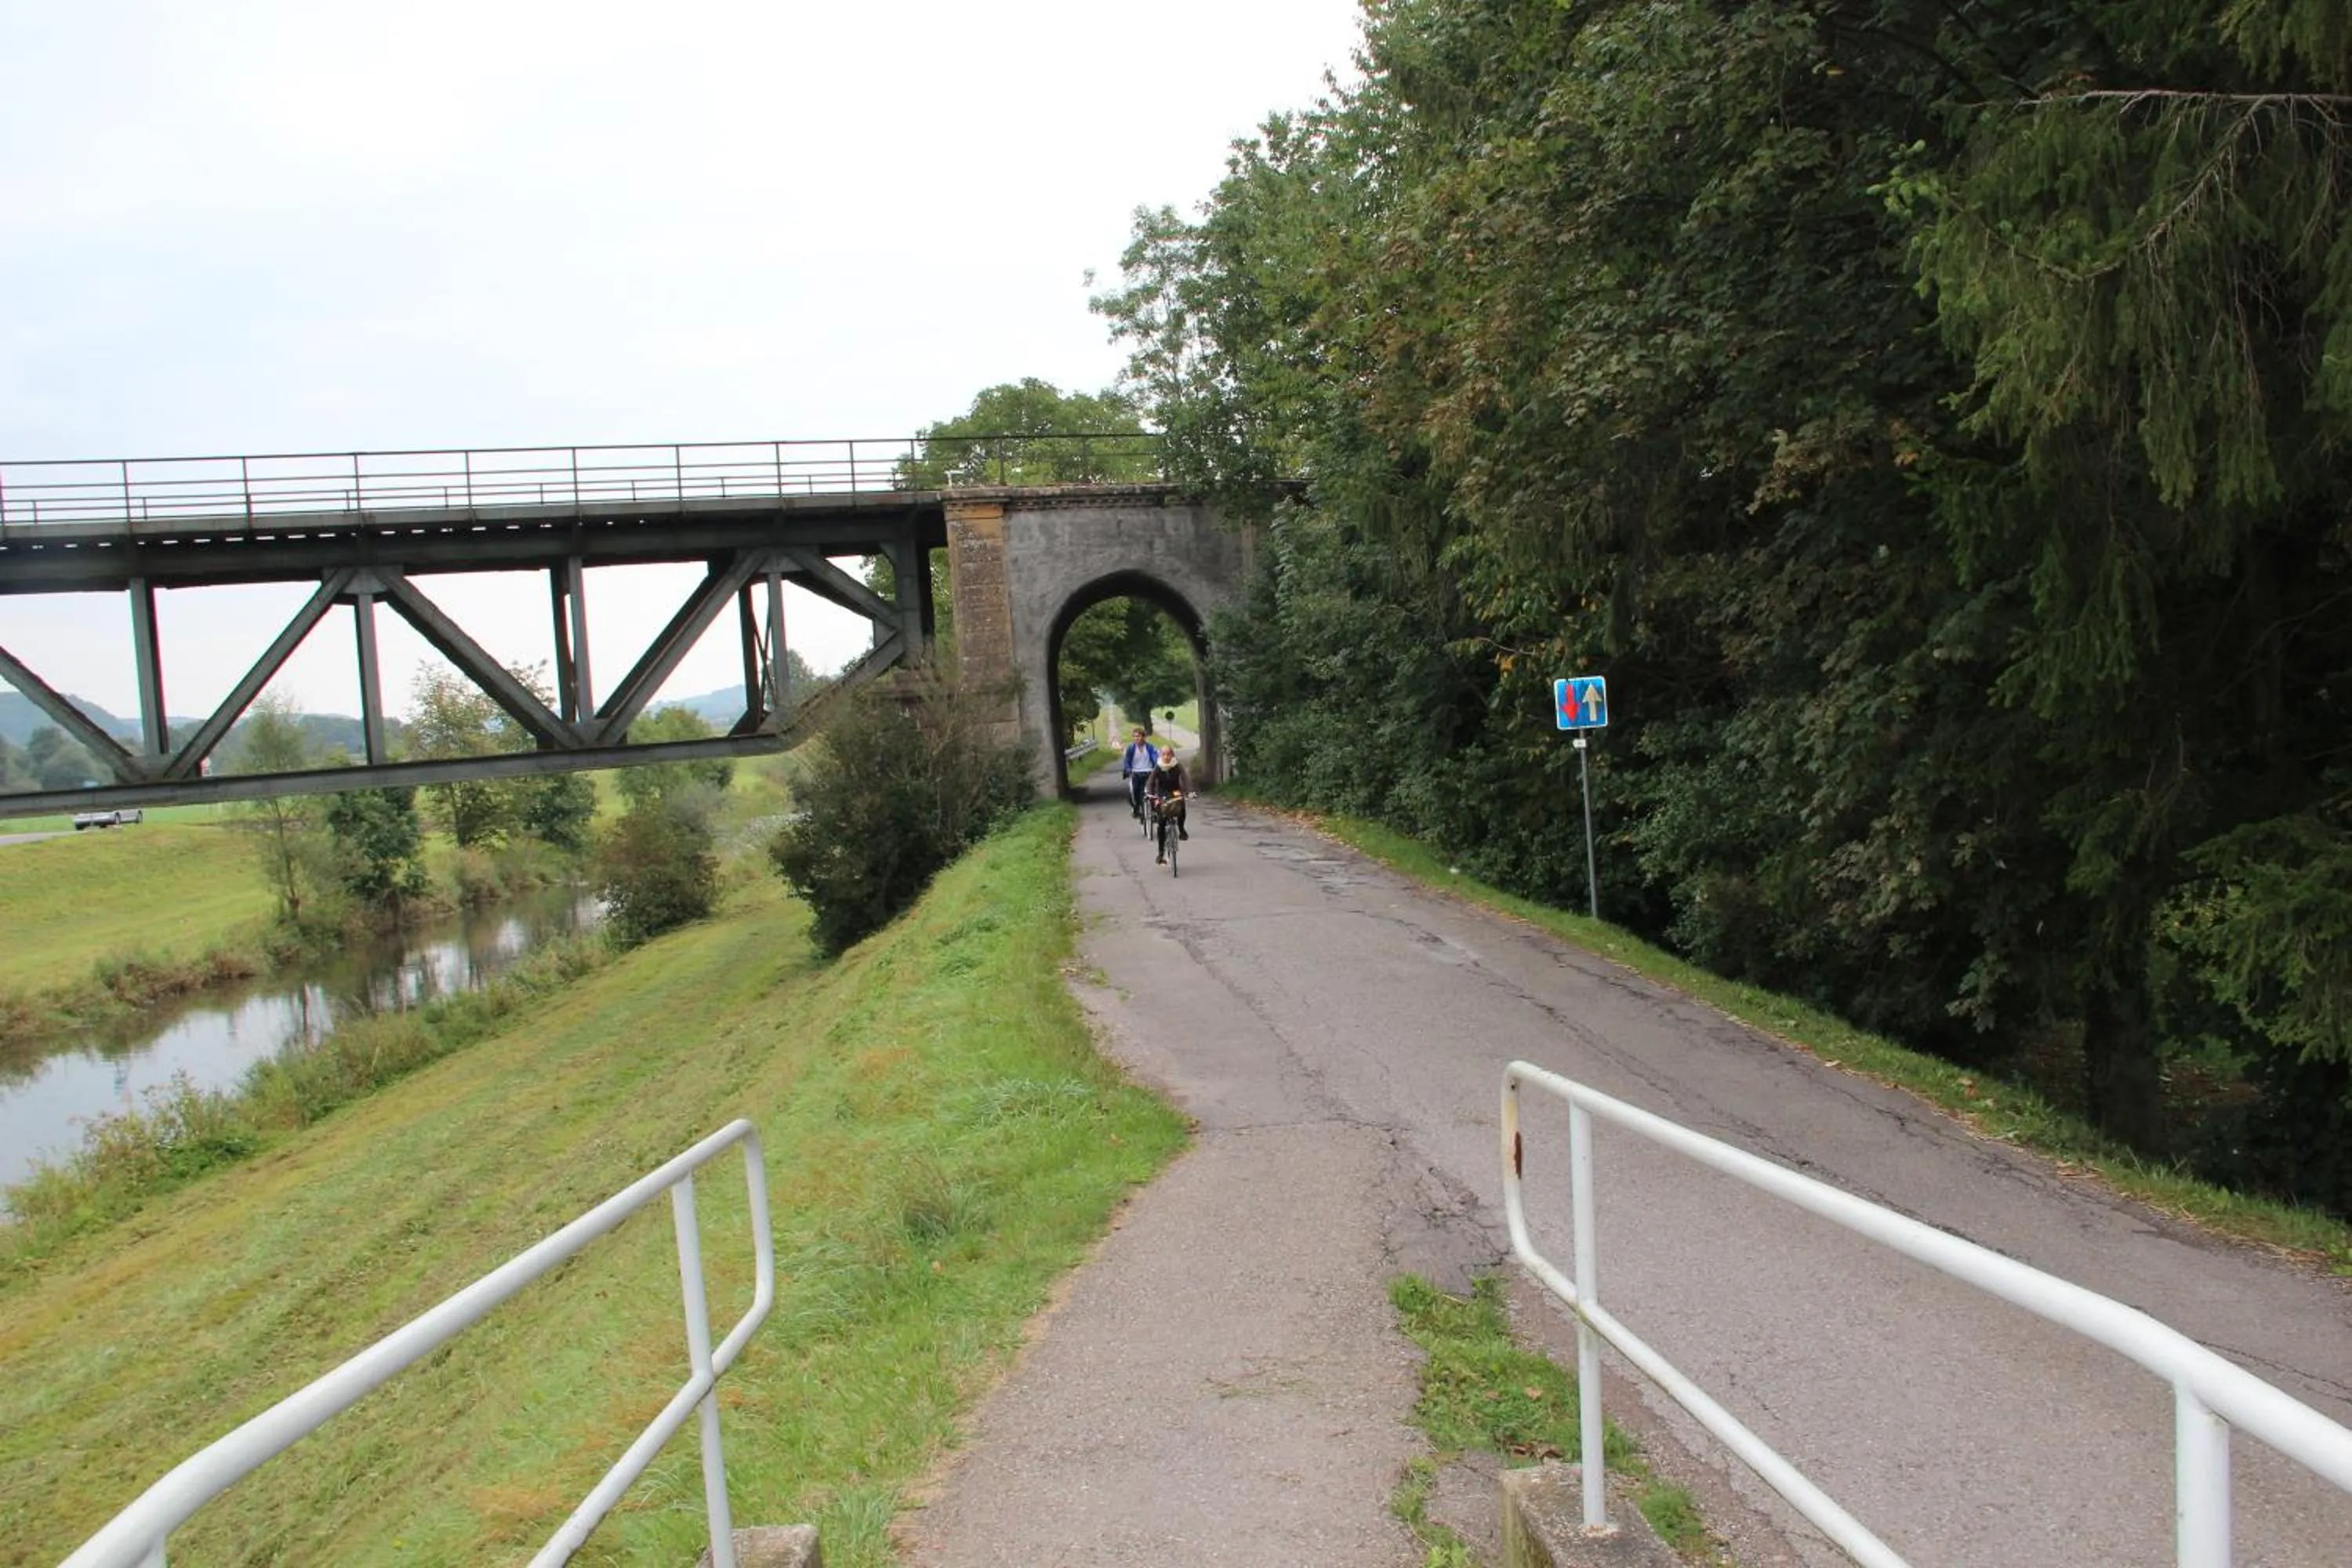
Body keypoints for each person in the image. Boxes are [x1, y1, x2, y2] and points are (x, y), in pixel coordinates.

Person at [1147, 747, 1189, 862]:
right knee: (1161, 822)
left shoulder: (1177, 765)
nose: (1166, 757)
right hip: (1162, 793)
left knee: (1181, 805)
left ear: (1172, 755)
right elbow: (1150, 782)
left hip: (1175, 791)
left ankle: (1181, 829)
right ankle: (1161, 853)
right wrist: (1150, 794)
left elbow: (1185, 778)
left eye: (1169, 754)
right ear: (1161, 756)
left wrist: (1188, 791)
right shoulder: (1158, 767)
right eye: (1164, 754)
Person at [1120, 725, 1160, 821]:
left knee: (1152, 792)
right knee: (1133, 793)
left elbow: (1155, 758)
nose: (1136, 738)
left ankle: (1154, 811)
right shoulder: (1131, 748)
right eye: (1134, 736)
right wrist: (1128, 770)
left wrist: (1157, 767)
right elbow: (1127, 761)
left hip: (1149, 772)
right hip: (1135, 773)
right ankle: (1136, 809)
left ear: (1143, 737)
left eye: (1138, 736)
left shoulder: (1150, 747)